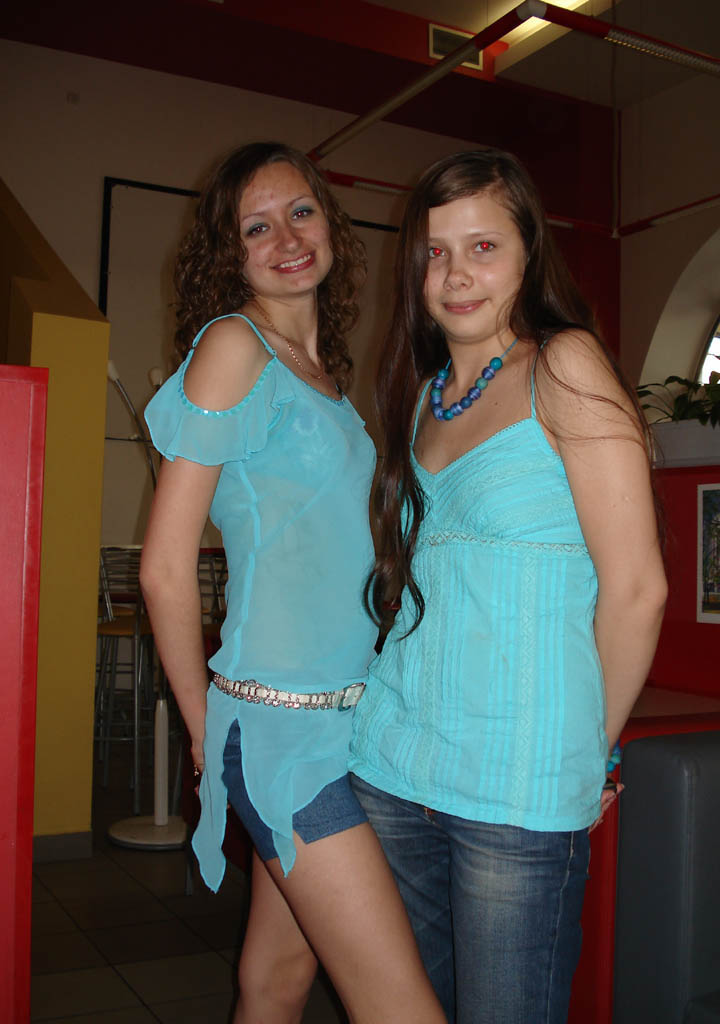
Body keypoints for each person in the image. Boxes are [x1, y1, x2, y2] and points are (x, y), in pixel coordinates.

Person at [349, 148, 668, 1024]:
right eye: (435, 252)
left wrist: (589, 752)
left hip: (515, 789)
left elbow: (637, 590)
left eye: (483, 247)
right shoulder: (425, 396)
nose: (456, 275)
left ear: (530, 253)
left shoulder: (565, 366)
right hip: (393, 767)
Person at [140, 142, 446, 1024]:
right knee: (401, 1007)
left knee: (275, 982)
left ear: (330, 225)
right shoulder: (234, 347)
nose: (285, 238)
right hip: (281, 734)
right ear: (229, 253)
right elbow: (164, 566)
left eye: (300, 212)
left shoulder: (327, 382)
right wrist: (205, 733)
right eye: (256, 227)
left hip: (349, 723)